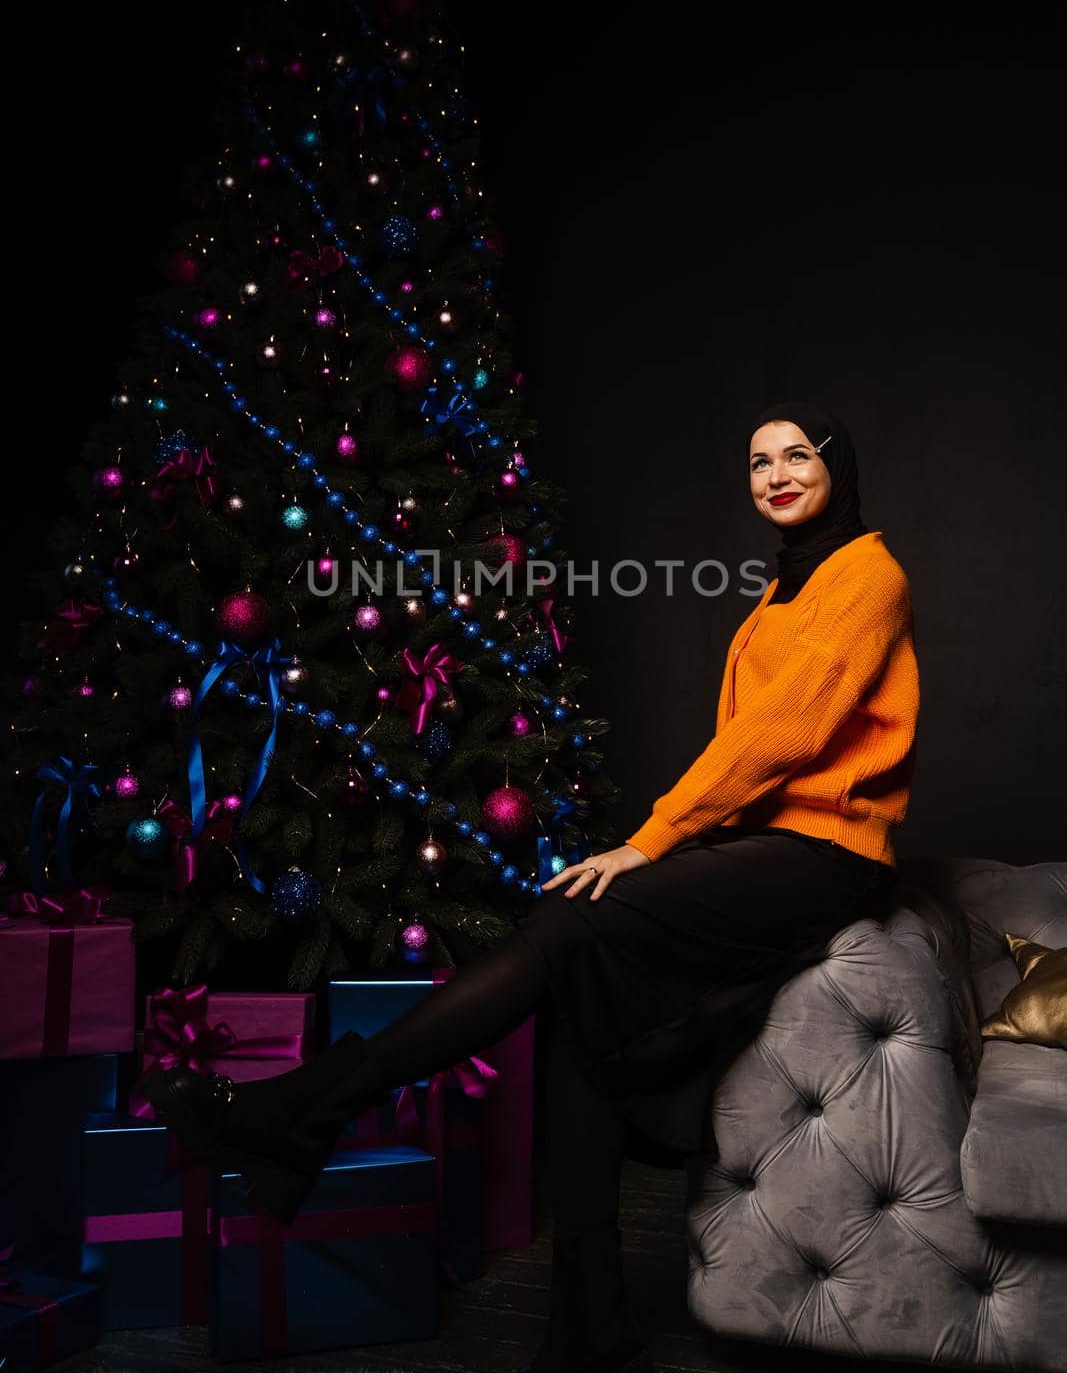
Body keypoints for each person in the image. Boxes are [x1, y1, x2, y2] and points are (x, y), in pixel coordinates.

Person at [142, 399, 919, 1373]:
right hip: (765, 851)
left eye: (795, 454)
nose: (773, 474)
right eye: (757, 460)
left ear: (835, 466)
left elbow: (783, 737)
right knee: (579, 989)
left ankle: (298, 1110)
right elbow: (752, 744)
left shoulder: (866, 574)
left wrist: (653, 840)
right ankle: (585, 1324)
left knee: (567, 927)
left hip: (825, 861)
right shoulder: (785, 587)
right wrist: (674, 844)